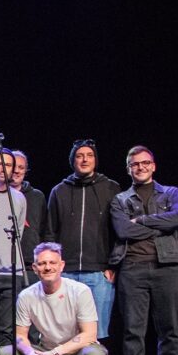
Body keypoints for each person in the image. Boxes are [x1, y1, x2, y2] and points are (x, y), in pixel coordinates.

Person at [110, 146, 178, 355]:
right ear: (128, 169)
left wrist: (142, 221)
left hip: (167, 267)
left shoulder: (171, 193)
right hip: (132, 268)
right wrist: (161, 225)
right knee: (133, 331)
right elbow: (124, 231)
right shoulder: (120, 199)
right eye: (135, 164)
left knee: (169, 330)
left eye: (145, 163)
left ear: (153, 166)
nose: (140, 167)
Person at [0, 242, 108, 355]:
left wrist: (56, 353)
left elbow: (89, 335)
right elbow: (20, 335)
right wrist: (29, 353)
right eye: (42, 263)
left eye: (52, 263)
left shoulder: (80, 291)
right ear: (34, 268)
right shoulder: (26, 296)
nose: (47, 267)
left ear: (61, 265)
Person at [46, 139, 122, 339]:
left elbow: (119, 231)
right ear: (73, 161)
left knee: (96, 333)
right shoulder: (59, 191)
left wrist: (113, 265)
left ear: (95, 160)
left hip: (99, 274)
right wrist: (54, 267)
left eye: (89, 155)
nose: (85, 160)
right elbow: (50, 232)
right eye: (79, 156)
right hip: (66, 273)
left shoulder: (111, 188)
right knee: (64, 333)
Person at [0, 148, 28, 355]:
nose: (3, 168)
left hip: (12, 273)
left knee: (6, 329)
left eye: (8, 165)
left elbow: (18, 233)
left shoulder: (18, 198)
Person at [10, 150, 47, 285]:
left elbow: (44, 230)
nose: (16, 171)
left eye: (21, 167)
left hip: (30, 266)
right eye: (13, 166)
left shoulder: (37, 196)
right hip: (3, 266)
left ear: (26, 171)